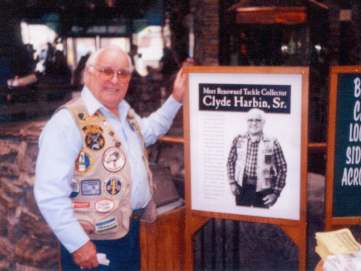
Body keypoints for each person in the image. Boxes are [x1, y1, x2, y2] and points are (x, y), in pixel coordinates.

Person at [34, 45, 191, 270]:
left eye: (123, 73)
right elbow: (49, 193)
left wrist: (175, 99)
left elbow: (149, 131)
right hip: (93, 241)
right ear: (88, 74)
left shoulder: (125, 115)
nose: (115, 80)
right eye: (107, 71)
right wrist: (78, 244)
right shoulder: (67, 121)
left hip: (129, 231)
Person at [226, 108, 287, 209]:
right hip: (241, 187)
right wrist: (232, 182)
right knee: (242, 217)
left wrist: (276, 193)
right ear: (247, 122)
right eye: (250, 120)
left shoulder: (272, 142)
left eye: (258, 120)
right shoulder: (238, 139)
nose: (254, 123)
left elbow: (282, 168)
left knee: (260, 221)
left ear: (263, 122)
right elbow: (230, 162)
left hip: (264, 190)